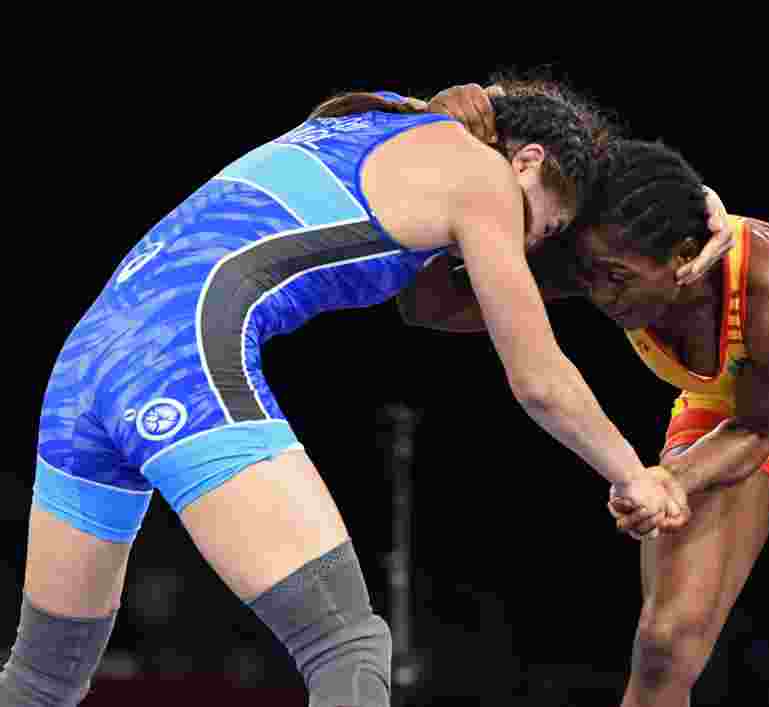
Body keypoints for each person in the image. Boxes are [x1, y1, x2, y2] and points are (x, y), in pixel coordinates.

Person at [1, 82, 691, 707]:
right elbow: (538, 376)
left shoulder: (375, 117)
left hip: (84, 367)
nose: (527, 241)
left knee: (42, 680)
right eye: (543, 227)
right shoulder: (482, 179)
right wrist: (635, 471)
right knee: (347, 648)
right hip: (177, 358)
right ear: (528, 161)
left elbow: (422, 305)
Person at [401, 136, 769, 705]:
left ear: (683, 258)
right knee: (665, 645)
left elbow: (759, 430)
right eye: (591, 275)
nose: (599, 295)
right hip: (727, 405)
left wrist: (671, 480)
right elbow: (428, 305)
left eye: (617, 279)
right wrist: (456, 217)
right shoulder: (605, 257)